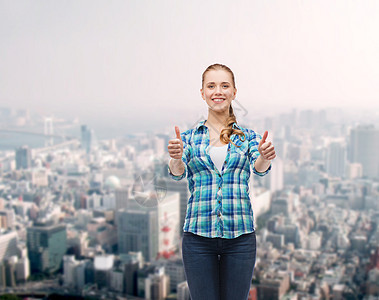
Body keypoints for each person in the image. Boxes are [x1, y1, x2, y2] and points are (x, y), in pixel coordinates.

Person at [167, 63, 276, 300]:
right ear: (203, 93)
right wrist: (175, 158)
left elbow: (259, 168)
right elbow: (177, 172)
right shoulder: (188, 138)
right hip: (198, 238)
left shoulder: (248, 137)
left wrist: (265, 157)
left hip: (240, 238)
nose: (218, 91)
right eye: (211, 86)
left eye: (225, 85)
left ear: (234, 92)